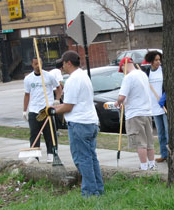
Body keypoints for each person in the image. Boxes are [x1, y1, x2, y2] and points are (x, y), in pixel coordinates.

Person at [53, 50, 104, 197]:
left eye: (63, 63)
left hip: (79, 124)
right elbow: (74, 103)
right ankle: (98, 188)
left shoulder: (73, 80)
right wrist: (56, 107)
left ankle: (90, 192)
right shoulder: (84, 76)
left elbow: (69, 106)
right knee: (91, 157)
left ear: (69, 63)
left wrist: (52, 111)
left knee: (82, 159)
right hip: (91, 122)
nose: (62, 67)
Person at [115, 57, 155, 171]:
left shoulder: (128, 77)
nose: (122, 72)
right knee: (149, 141)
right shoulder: (143, 74)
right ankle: (152, 164)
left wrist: (118, 102)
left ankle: (144, 167)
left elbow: (122, 96)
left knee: (140, 142)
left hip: (134, 114)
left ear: (123, 66)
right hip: (146, 112)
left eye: (122, 70)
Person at [23, 58, 62, 164]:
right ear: (32, 64)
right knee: (34, 134)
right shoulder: (28, 79)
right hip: (34, 109)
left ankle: (51, 154)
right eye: (35, 64)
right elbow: (27, 95)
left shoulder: (48, 76)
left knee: (50, 133)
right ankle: (34, 156)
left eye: (39, 63)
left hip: (47, 110)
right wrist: (25, 110)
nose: (37, 66)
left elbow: (59, 88)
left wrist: (57, 100)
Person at [144, 51, 168, 163]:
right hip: (154, 107)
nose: (158, 62)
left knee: (168, 132)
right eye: (156, 60)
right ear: (151, 61)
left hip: (164, 106)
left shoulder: (163, 70)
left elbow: (168, 86)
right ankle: (164, 154)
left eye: (159, 59)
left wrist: (164, 98)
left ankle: (172, 155)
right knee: (160, 133)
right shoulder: (147, 72)